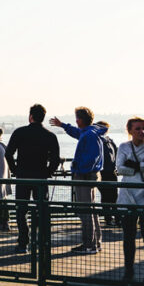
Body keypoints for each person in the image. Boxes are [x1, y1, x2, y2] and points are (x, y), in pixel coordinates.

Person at [50, 107, 107, 254]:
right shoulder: (90, 132)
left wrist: (78, 167)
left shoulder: (89, 135)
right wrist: (63, 125)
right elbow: (77, 132)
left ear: (80, 120)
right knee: (91, 210)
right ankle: (95, 242)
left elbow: (91, 157)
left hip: (85, 176)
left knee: (85, 211)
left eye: (77, 118)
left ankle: (89, 244)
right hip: (90, 175)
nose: (76, 121)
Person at [5, 104, 61, 252]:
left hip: (23, 177)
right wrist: (48, 172)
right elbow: (55, 159)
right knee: (41, 210)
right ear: (43, 117)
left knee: (21, 210)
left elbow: (8, 154)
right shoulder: (50, 135)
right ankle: (41, 242)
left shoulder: (19, 132)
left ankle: (23, 242)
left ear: (30, 116)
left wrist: (15, 170)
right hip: (41, 178)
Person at [116, 117, 144, 283]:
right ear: (129, 131)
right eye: (138, 129)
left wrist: (133, 165)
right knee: (128, 235)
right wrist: (143, 165)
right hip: (128, 195)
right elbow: (119, 169)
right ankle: (129, 270)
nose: (142, 132)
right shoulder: (123, 146)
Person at [95, 121, 119, 226]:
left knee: (111, 197)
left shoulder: (107, 140)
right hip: (105, 172)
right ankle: (111, 218)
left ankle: (112, 218)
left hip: (109, 172)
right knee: (109, 196)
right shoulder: (107, 141)